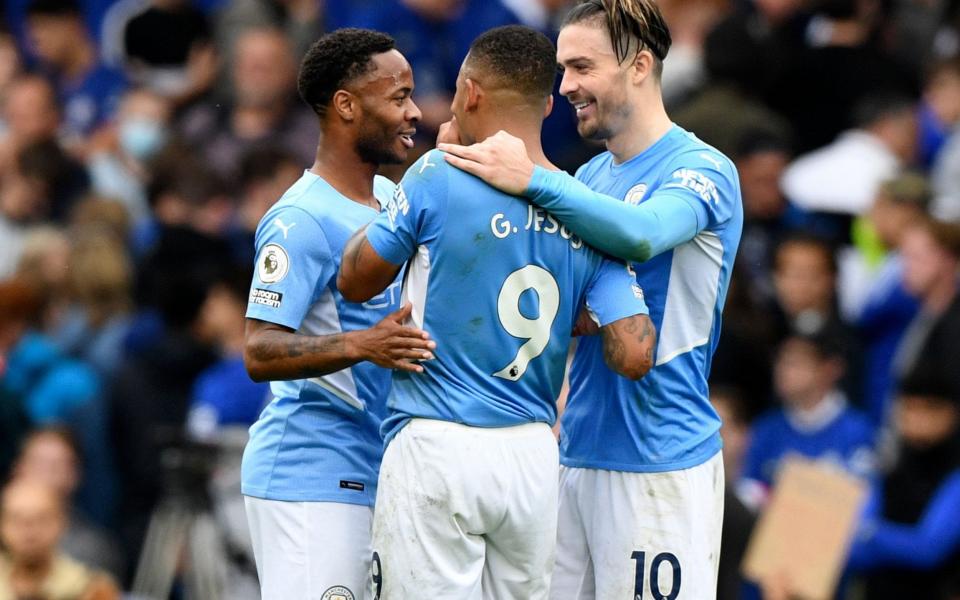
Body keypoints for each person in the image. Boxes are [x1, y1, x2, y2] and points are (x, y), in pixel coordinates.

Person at [338, 24, 655, 599]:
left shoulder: (439, 176)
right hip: (532, 458)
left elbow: (355, 280)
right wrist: (573, 318)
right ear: (548, 103)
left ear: (470, 92)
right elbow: (634, 351)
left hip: (439, 444)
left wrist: (414, 187)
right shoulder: (586, 211)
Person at [438, 1, 743, 597]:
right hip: (572, 456)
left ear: (639, 65)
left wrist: (531, 176)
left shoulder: (702, 169)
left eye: (581, 66)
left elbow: (645, 231)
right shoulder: (590, 179)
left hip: (660, 461)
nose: (566, 85)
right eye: (562, 68)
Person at [239, 28, 431, 600]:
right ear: (347, 105)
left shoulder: (394, 200)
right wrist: (359, 345)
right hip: (310, 473)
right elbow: (258, 349)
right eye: (398, 98)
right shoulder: (299, 220)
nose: (414, 112)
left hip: (379, 470)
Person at [0, 479, 119, 600]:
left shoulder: (91, 587)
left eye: (41, 519)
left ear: (62, 522)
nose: (28, 531)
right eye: (16, 519)